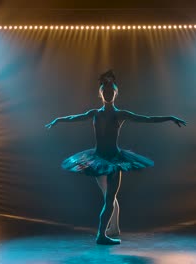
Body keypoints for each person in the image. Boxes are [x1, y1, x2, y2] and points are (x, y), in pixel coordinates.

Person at [45, 70, 186, 245]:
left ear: (116, 93)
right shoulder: (94, 113)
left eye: (111, 91)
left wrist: (169, 117)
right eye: (105, 91)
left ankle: (104, 233)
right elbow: (75, 117)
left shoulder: (121, 114)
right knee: (109, 197)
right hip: (97, 159)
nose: (108, 93)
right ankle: (109, 231)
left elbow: (148, 119)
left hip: (114, 159)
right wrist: (58, 119)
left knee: (110, 198)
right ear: (101, 93)